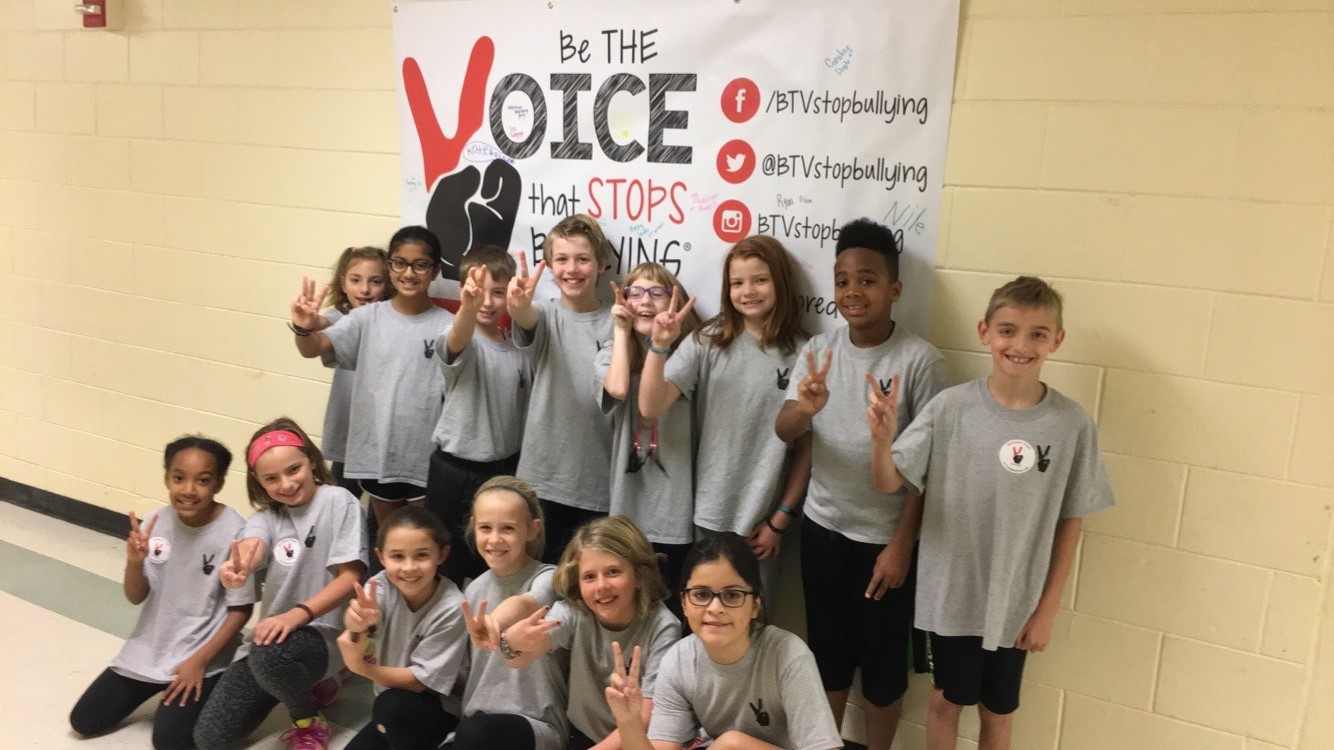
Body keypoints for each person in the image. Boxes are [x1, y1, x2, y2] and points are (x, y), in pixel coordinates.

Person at [868, 276, 1114, 750]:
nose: (1020, 345)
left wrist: (1047, 608)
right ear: (985, 332)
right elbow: (888, 482)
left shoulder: (1071, 425)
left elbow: (1072, 519)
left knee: (998, 713)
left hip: (1016, 604)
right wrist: (881, 442)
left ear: (1057, 340)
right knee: (945, 704)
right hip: (951, 598)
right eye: (1007, 330)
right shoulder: (950, 408)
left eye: (1037, 334)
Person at [774, 218, 950, 750]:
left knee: (882, 673)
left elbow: (930, 471)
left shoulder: (921, 361)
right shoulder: (819, 352)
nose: (853, 291)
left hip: (883, 543)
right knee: (827, 660)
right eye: (843, 281)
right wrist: (805, 410)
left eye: (867, 280)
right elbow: (784, 430)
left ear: (894, 289)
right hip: (823, 531)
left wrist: (901, 545)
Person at [638, 235, 811, 601]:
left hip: (765, 523)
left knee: (755, 617)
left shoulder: (804, 352)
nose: (748, 291)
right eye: (737, 282)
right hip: (708, 514)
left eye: (760, 280)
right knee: (706, 612)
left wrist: (780, 518)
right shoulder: (707, 341)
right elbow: (650, 407)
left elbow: (806, 448)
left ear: (780, 282)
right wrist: (659, 345)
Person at [69, 436, 253, 750]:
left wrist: (199, 662)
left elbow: (241, 610)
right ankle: (158, 684)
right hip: (151, 648)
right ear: (167, 478)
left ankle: (225, 684)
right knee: (84, 720)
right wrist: (134, 562)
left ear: (219, 483)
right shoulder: (155, 523)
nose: (188, 490)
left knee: (169, 741)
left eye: (203, 480)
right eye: (179, 478)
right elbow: (135, 596)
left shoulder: (237, 533)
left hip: (202, 654)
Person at [194, 418, 366, 750]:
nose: (286, 484)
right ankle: (298, 682)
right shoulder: (265, 518)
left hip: (324, 635)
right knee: (210, 739)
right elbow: (253, 546)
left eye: (293, 470)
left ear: (311, 461)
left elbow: (351, 577)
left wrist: (296, 615)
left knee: (270, 652)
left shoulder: (338, 501)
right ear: (257, 481)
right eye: (271, 478)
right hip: (272, 642)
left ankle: (308, 719)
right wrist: (240, 565)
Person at [603, 533, 842, 750]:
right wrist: (628, 722)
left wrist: (734, 743)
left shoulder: (787, 654)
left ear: (755, 605)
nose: (715, 608)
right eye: (701, 594)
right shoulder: (679, 660)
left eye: (732, 595)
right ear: (684, 603)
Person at [291, 226, 454, 528]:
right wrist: (303, 328)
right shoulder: (366, 318)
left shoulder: (448, 326)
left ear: (435, 271)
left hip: (424, 457)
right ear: (390, 267)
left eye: (420, 265)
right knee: (389, 538)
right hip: (378, 455)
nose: (409, 273)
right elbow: (314, 347)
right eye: (400, 263)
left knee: (427, 538)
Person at [497, 516, 682, 750]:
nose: (602, 586)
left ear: (639, 576)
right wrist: (511, 642)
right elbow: (520, 658)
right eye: (589, 577)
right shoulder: (575, 611)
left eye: (613, 572)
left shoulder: (664, 626)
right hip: (582, 736)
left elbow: (647, 712)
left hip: (637, 741)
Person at [507, 214, 615, 561]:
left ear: (601, 264)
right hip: (543, 479)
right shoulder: (544, 313)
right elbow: (528, 319)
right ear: (550, 267)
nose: (572, 269)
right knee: (540, 577)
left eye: (582, 259)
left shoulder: (617, 320)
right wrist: (519, 308)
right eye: (562, 259)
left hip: (598, 480)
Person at [428, 245, 531, 586]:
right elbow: (456, 339)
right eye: (478, 292)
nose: (487, 301)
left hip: (502, 471)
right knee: (447, 559)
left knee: (493, 560)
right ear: (463, 291)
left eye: (498, 292)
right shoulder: (461, 337)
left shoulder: (518, 350)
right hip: (456, 471)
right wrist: (466, 310)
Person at [596, 262, 701, 591]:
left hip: (675, 513)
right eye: (636, 292)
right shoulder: (612, 353)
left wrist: (661, 343)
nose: (645, 301)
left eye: (657, 292)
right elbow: (617, 389)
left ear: (674, 301)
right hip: (625, 511)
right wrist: (620, 331)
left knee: (668, 601)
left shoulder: (689, 355)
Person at [339, 507, 469, 750]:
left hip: (438, 711)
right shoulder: (379, 585)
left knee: (392, 706)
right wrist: (355, 625)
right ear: (381, 557)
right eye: (397, 556)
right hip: (393, 703)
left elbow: (418, 682)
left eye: (421, 555)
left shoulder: (452, 606)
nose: (409, 567)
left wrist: (360, 667)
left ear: (442, 554)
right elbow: (358, 623)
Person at [453, 477, 568, 750]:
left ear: (532, 530)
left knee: (476, 736)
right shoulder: (473, 590)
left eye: (507, 528)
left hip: (536, 725)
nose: (495, 539)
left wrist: (495, 621)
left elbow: (527, 603)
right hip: (476, 722)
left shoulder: (549, 577)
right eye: (485, 528)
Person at [316, 245, 391, 499]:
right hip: (349, 432)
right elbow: (323, 324)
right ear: (343, 283)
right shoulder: (341, 318)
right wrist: (308, 324)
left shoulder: (391, 320)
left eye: (375, 281)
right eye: (355, 280)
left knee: (382, 505)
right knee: (340, 499)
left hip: (382, 433)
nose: (364, 290)